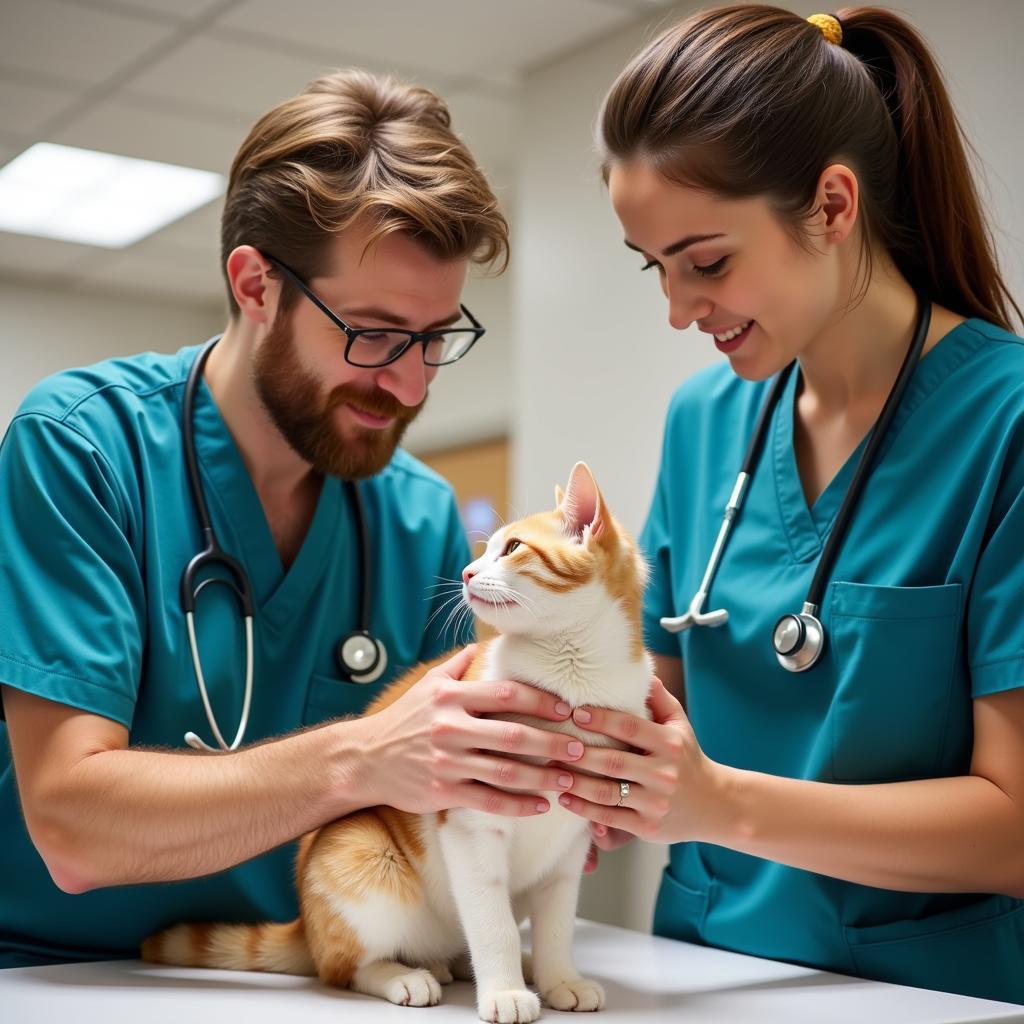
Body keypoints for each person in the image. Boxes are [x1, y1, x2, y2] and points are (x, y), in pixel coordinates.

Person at [0, 70, 587, 968]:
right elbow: (74, 829)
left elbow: (445, 793)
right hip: (60, 977)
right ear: (254, 284)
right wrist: (364, 755)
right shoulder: (82, 449)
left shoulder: (417, 514)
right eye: (376, 334)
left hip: (316, 976)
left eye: (435, 340)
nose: (411, 384)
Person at [551, 5, 1024, 1005]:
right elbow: (653, 706)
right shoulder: (703, 421)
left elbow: (1015, 826)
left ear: (834, 204)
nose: (678, 310)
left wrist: (717, 804)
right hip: (694, 967)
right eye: (656, 267)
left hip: (918, 991)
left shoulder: (1004, 424)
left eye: (706, 261)